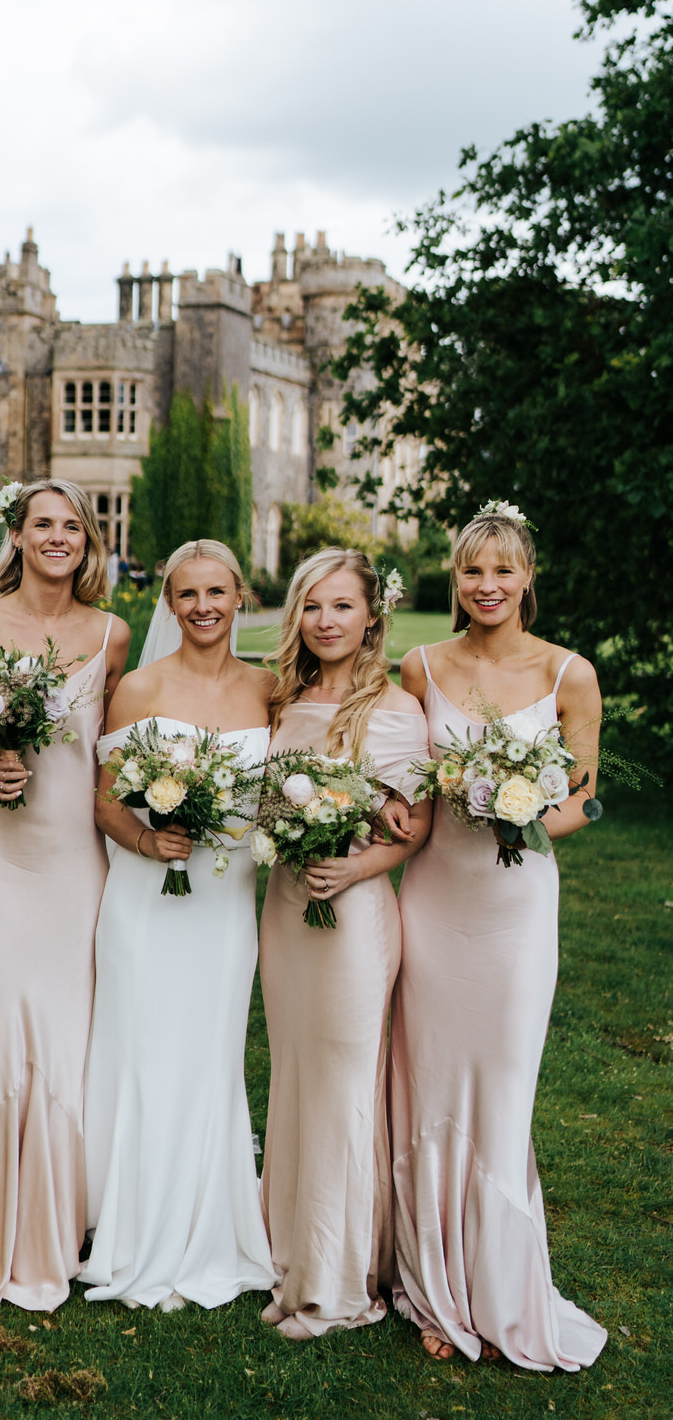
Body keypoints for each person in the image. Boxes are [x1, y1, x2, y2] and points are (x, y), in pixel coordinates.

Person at [391, 503, 606, 1370]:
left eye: (502, 571)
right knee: (430, 1082)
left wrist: (520, 820)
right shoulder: (419, 667)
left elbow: (588, 795)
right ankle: (429, 1283)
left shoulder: (567, 674)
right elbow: (400, 782)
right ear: (456, 579)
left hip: (515, 911)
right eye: (472, 572)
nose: (486, 587)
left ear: (527, 578)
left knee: (502, 1086)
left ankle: (496, 1280)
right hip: (434, 902)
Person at [0, 479, 130, 1312]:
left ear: (87, 540)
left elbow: (114, 756)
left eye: (71, 525)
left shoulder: (112, 637)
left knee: (69, 1033)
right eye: (42, 524)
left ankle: (64, 1219)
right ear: (17, 533)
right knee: (0, 1025)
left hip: (75, 861)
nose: (57, 537)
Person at [81, 539, 276, 1310]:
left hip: (225, 902)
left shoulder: (270, 689)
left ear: (239, 597)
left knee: (210, 1051)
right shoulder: (138, 688)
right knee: (144, 1050)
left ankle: (209, 1220)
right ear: (168, 602)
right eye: (186, 594)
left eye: (215, 593)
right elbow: (102, 800)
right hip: (144, 899)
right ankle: (127, 1224)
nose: (201, 607)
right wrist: (144, 838)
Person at [259, 549, 432, 1341]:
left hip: (355, 915)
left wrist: (356, 863)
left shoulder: (395, 708)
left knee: (342, 1084)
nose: (325, 622)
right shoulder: (282, 700)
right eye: (312, 607)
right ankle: (291, 1256)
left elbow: (413, 826)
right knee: (294, 1077)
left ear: (371, 617)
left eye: (340, 607)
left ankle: (340, 1281)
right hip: (287, 909)